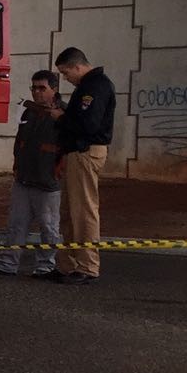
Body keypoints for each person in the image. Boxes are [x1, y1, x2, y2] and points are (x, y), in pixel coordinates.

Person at [0, 70, 65, 277]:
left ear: (54, 89)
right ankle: (7, 264)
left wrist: (56, 173)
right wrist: (18, 168)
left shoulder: (64, 116)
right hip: (24, 179)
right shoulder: (29, 112)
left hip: (48, 183)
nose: (36, 92)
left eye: (42, 88)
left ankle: (46, 267)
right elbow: (20, 143)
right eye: (33, 88)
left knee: (49, 228)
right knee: (16, 224)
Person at [48, 47, 116, 285]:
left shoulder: (95, 86)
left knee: (84, 211)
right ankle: (68, 265)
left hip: (85, 151)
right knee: (69, 212)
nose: (66, 78)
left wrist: (61, 118)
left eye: (66, 73)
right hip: (75, 152)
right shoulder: (86, 87)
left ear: (77, 66)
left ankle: (87, 266)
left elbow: (88, 124)